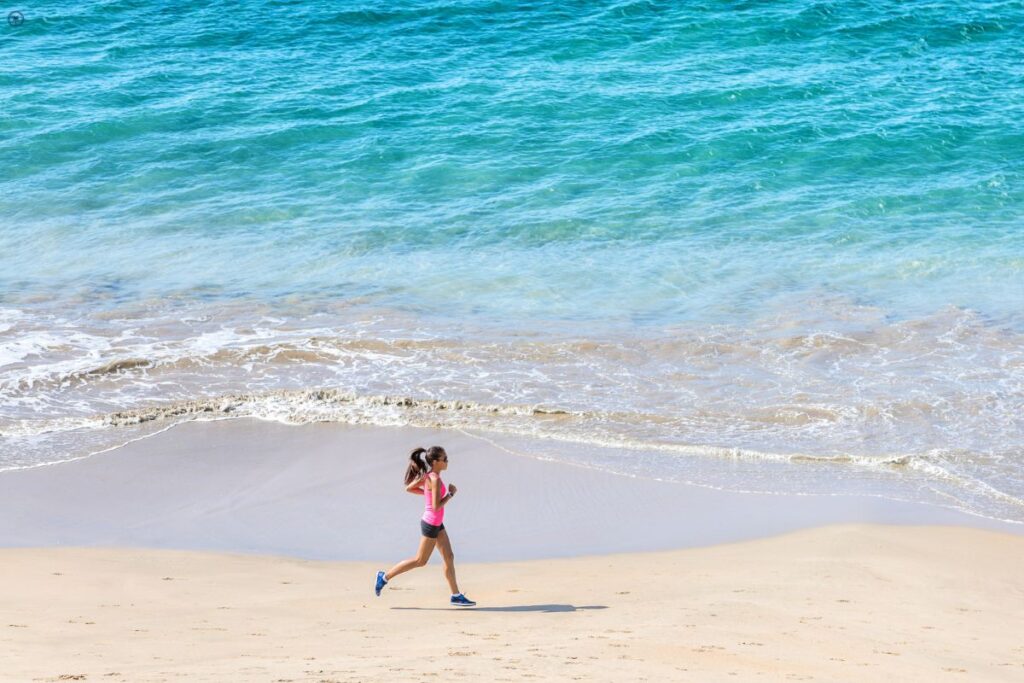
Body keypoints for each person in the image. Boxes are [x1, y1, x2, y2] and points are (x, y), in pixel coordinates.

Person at [374, 446, 476, 607]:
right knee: (420, 560)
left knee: (449, 557)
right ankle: (384, 577)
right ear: (436, 462)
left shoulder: (429, 476)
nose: (447, 461)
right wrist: (450, 494)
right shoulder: (434, 479)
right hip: (430, 524)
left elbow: (410, 488)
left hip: (437, 523)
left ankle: (455, 595)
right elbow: (436, 507)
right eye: (445, 459)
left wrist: (427, 494)